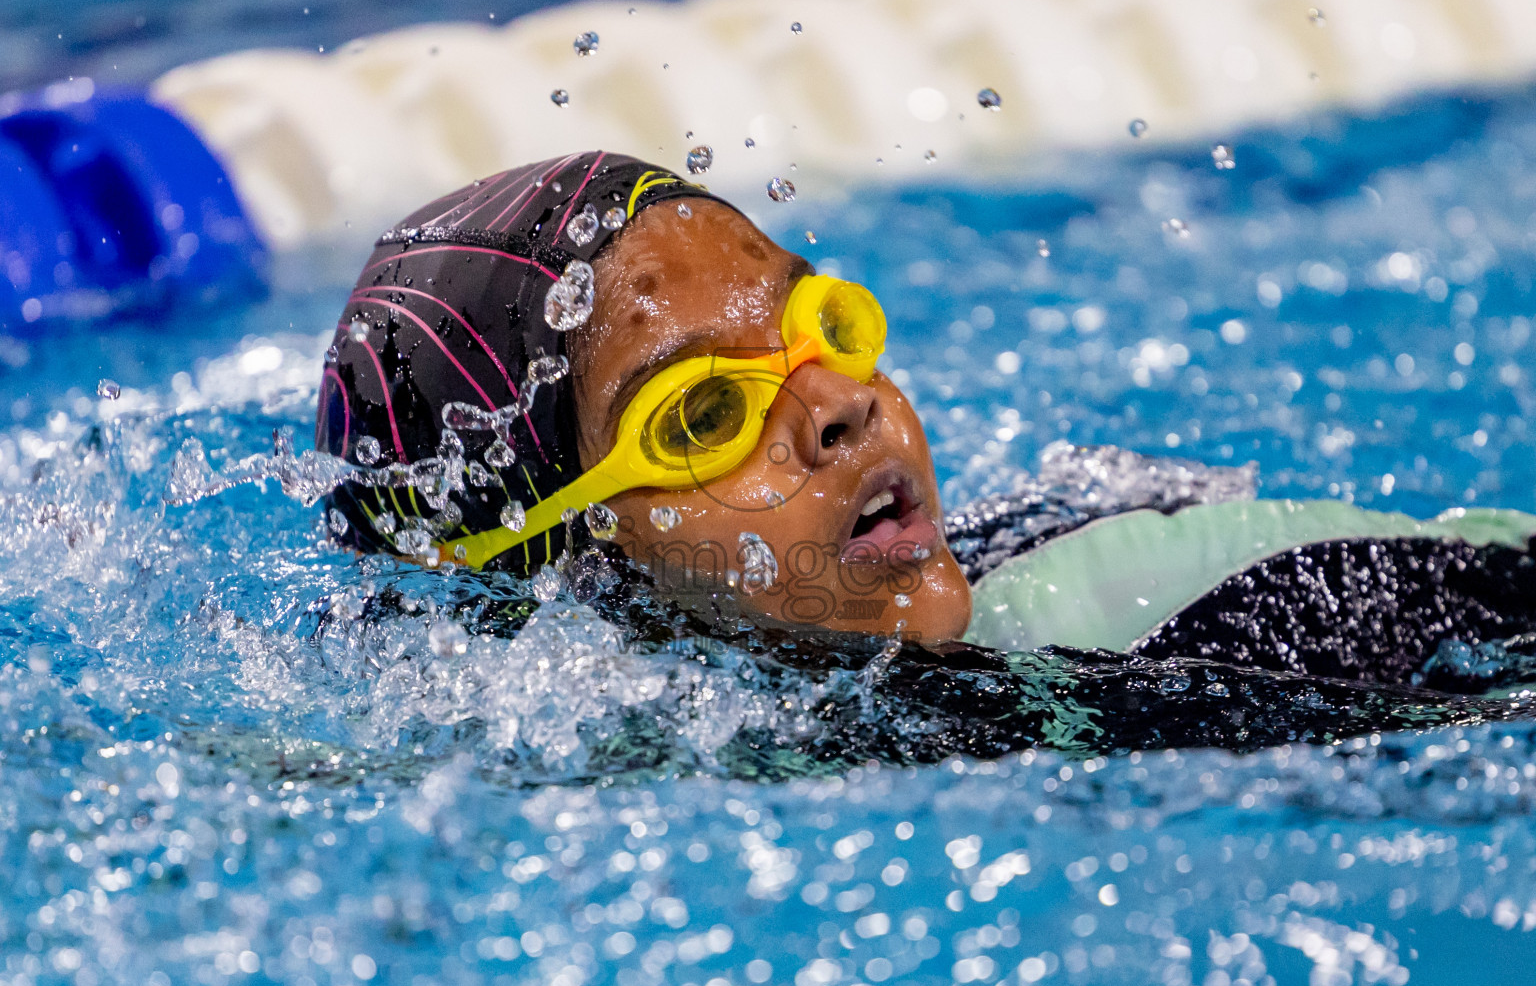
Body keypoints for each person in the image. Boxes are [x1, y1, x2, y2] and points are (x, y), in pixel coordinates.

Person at [317, 151, 1536, 689]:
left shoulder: (1212, 643)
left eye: (817, 329)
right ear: (564, 571)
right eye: (700, 416)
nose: (845, 404)